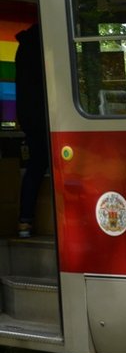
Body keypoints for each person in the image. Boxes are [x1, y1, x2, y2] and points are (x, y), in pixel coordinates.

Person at [14, 23, 50, 239]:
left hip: (30, 117)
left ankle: (25, 222)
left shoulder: (25, 46)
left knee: (35, 167)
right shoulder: (40, 46)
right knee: (39, 165)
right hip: (42, 117)